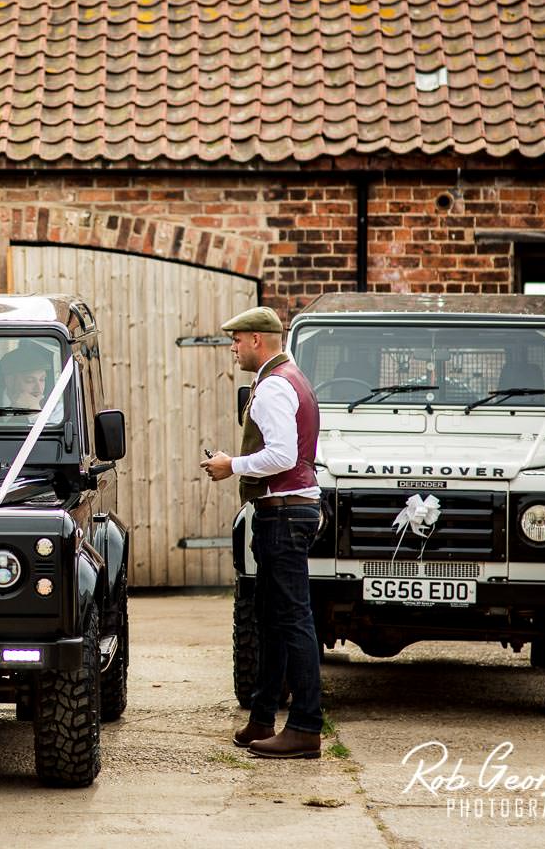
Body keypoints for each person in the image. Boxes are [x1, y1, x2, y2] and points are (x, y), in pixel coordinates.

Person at [199, 306, 323, 760]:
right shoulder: (293, 377)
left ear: (257, 340)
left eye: (236, 339)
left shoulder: (273, 386)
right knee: (272, 618)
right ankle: (263, 717)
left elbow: (282, 456)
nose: (232, 348)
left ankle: (306, 727)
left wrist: (231, 465)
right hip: (290, 511)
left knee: (291, 620)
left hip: (284, 514)